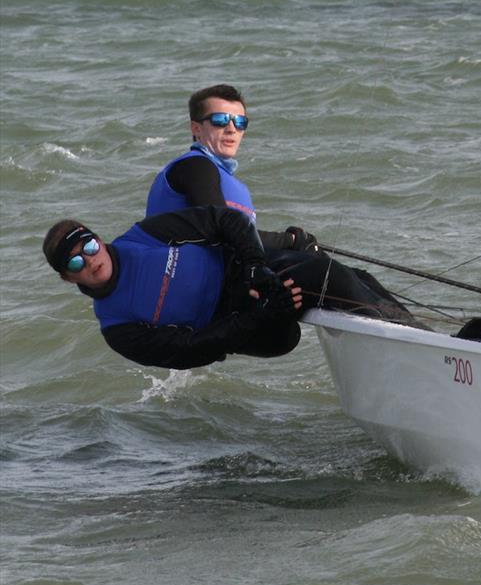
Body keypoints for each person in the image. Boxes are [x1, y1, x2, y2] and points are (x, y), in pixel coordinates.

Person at [43, 205, 422, 371]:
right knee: (321, 280)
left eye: (89, 246)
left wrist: (256, 266)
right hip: (242, 326)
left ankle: (426, 345)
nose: (91, 260)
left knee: (341, 276)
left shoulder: (147, 236)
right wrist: (253, 317)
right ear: (68, 278)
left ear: (99, 239)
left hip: (250, 275)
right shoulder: (117, 328)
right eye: (76, 261)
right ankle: (417, 353)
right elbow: (194, 351)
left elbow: (226, 220)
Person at [146, 83, 317, 253]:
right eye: (220, 120)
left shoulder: (235, 184)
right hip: (176, 274)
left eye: (240, 122)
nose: (231, 129)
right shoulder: (195, 167)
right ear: (196, 128)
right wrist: (290, 240)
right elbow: (224, 229)